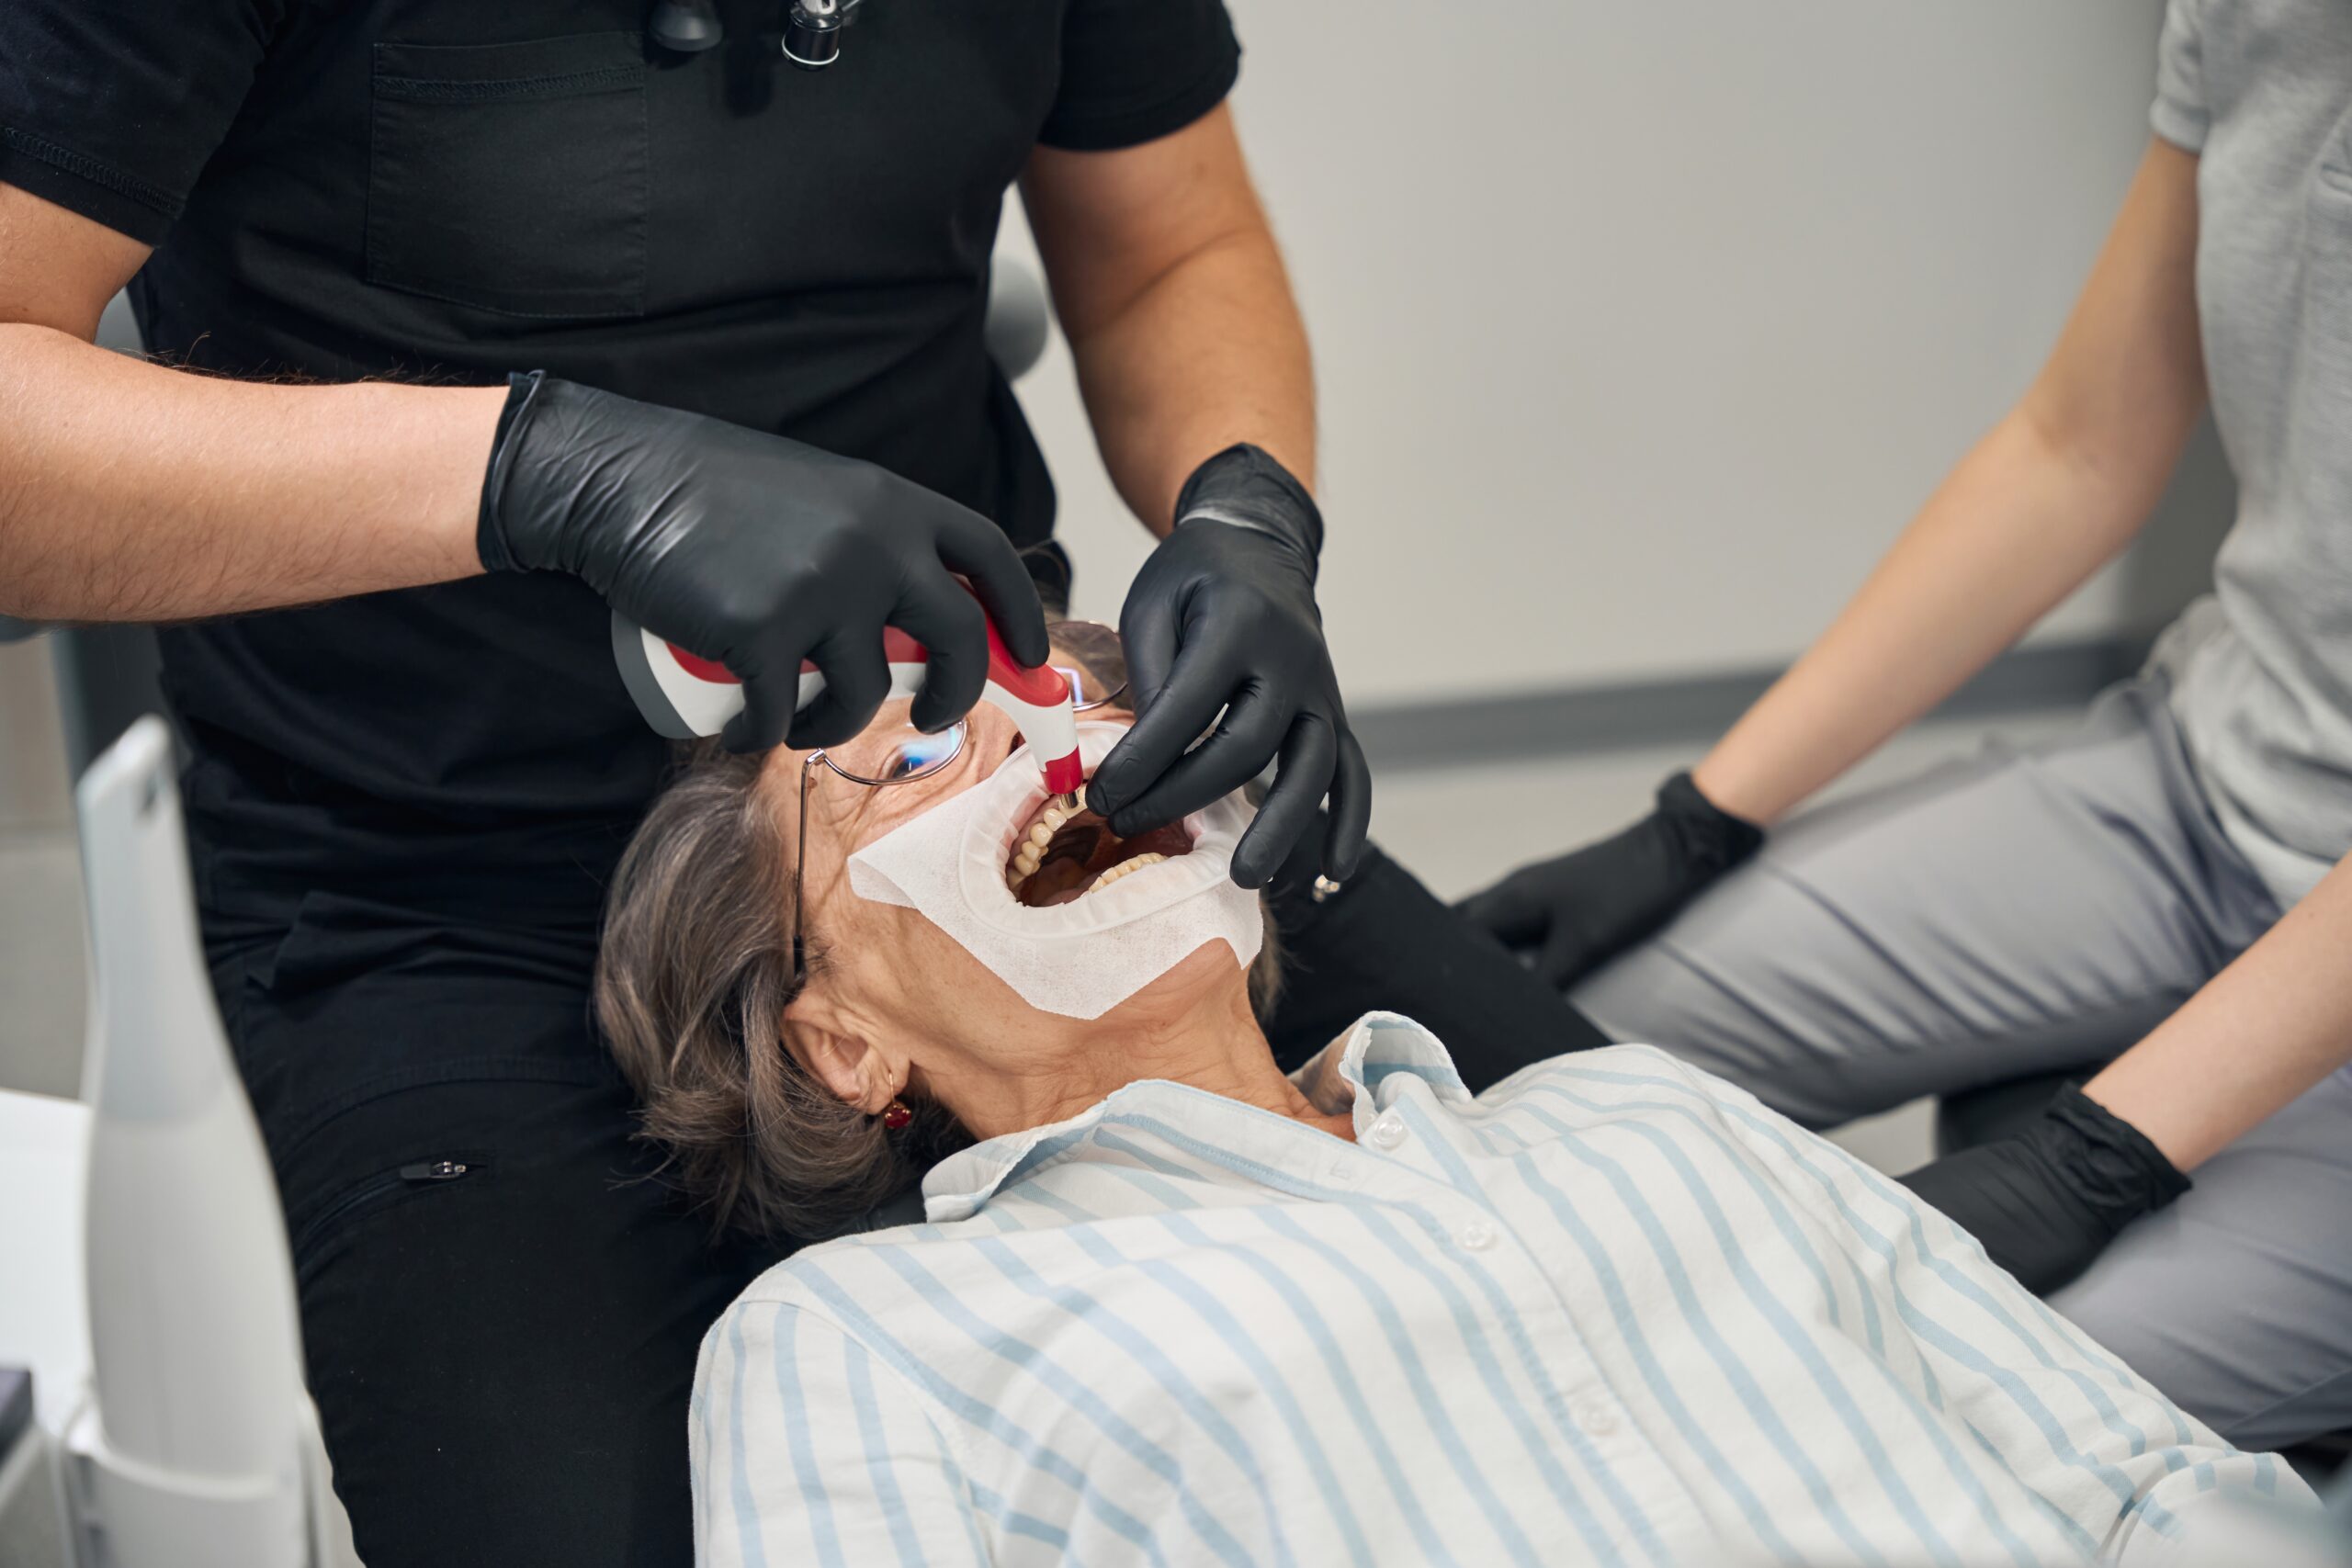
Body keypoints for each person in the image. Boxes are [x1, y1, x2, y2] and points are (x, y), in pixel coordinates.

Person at [0, 7, 1388, 1562]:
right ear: (843, 1051)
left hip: (993, 714)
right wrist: (544, 470)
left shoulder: (1620, 1131)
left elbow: (1169, 246)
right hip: (431, 885)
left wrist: (1252, 511)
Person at [592, 657, 2305, 1567]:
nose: (1049, 732)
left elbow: (2146, 1486)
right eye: (897, 764)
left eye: (1066, 690)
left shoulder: (1639, 1117)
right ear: (839, 1047)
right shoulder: (866, 1338)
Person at [1457, 1, 2352, 1452]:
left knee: (1941, 1391)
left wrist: (2098, 1156)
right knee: (1557, 1071)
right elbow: (2079, 443)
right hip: (2206, 790)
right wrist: (1698, 820)